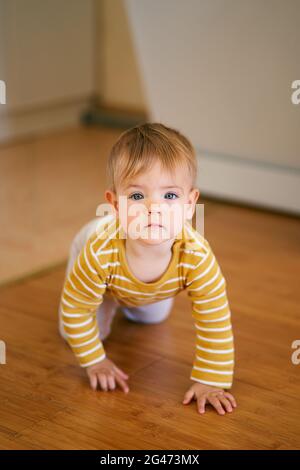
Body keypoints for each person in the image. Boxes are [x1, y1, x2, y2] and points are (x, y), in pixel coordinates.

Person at [58, 122, 237, 415]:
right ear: (114, 204)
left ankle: (125, 297)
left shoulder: (197, 256)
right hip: (100, 267)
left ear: (190, 204)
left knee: (151, 317)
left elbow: (214, 317)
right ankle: (108, 299)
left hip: (144, 286)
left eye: (169, 196)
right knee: (77, 331)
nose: (154, 208)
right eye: (137, 196)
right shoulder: (97, 252)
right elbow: (76, 308)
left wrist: (210, 380)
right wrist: (95, 361)